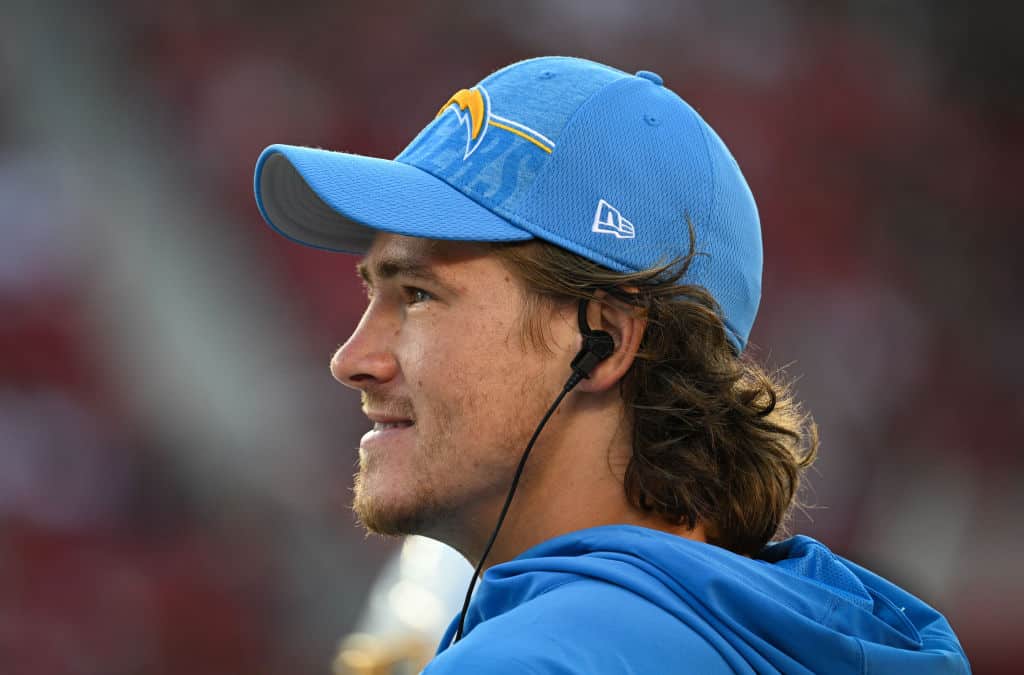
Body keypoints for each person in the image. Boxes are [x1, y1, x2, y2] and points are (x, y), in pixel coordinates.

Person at [254, 56, 970, 674]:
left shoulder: (531, 660)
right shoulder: (786, 635)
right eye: (371, 291)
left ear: (603, 339)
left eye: (417, 294)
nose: (353, 359)